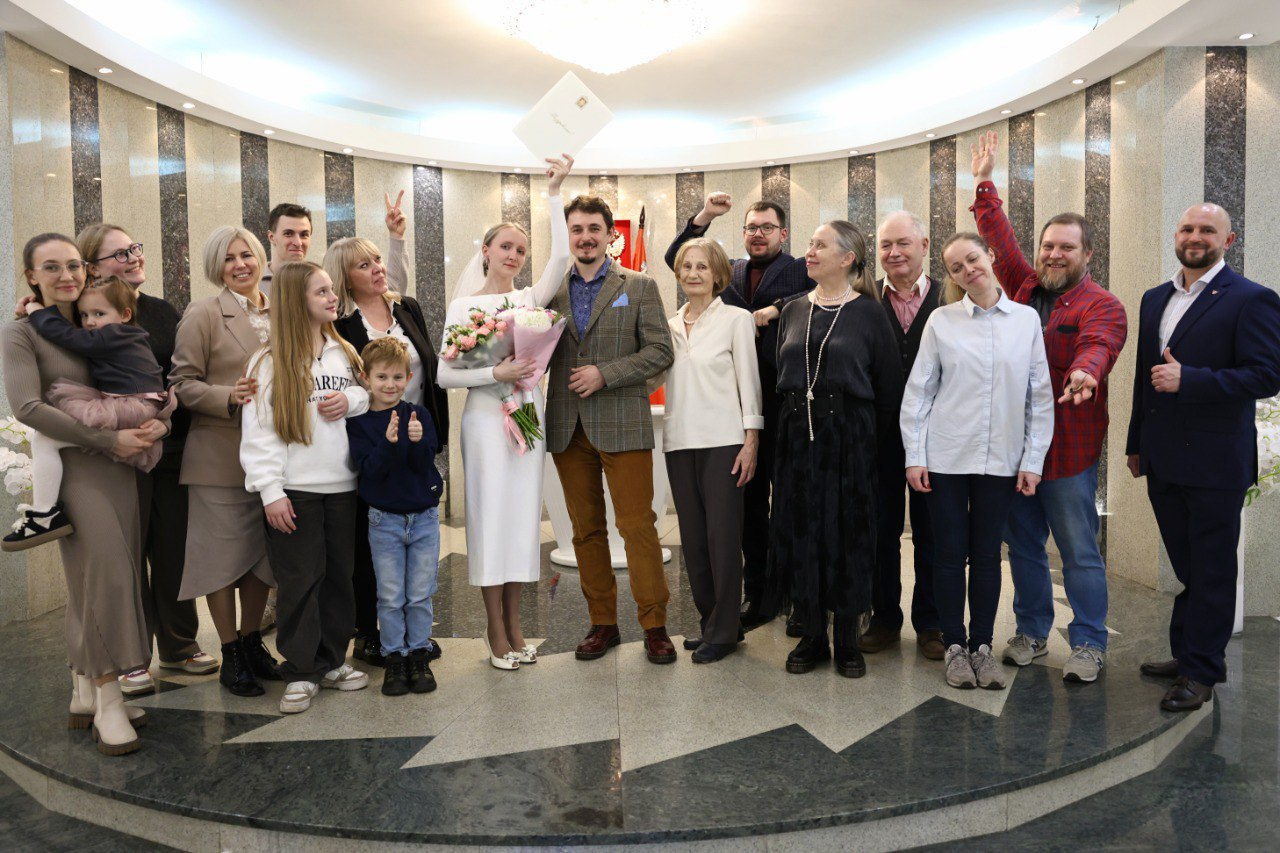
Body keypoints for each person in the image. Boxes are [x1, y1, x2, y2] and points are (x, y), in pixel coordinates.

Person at [970, 130, 1128, 684]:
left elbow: (1100, 342)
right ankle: (1033, 632)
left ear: (1087, 255)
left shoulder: (1101, 304)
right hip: (1016, 453)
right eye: (1048, 246)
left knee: (1079, 551)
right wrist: (984, 182)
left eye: (1067, 247)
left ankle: (1087, 643)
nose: (1054, 255)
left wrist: (1087, 371)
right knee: (1025, 549)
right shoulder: (1022, 286)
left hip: (1067, 455)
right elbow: (1000, 237)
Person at [2, 234, 157, 755]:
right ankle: (108, 702)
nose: (66, 275)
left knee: (99, 582)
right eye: (51, 267)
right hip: (75, 468)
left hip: (121, 468)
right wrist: (107, 439)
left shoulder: (96, 317)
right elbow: (27, 408)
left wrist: (159, 420)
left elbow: (143, 378)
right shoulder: (20, 332)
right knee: (105, 576)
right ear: (31, 276)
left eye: (73, 264)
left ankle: (84, 690)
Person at [1127, 203, 1280, 712]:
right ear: (1177, 235)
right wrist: (1136, 442)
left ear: (1227, 240)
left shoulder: (1252, 299)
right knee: (1189, 567)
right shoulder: (1155, 298)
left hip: (1216, 462)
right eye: (1188, 228)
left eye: (1207, 230)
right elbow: (1144, 378)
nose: (1195, 237)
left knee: (1212, 570)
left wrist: (1190, 379)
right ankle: (1187, 654)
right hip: (1164, 458)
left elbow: (1266, 375)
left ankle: (1202, 672)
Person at [901, 233, 1054, 690]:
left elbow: (1039, 396)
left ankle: (982, 647)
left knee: (987, 556)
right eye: (956, 267)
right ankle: (954, 646)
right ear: (952, 277)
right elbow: (919, 393)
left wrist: (1033, 460)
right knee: (948, 554)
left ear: (990, 256)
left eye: (973, 259)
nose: (968, 270)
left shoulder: (1025, 320)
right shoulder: (942, 321)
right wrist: (915, 456)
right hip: (946, 456)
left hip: (1002, 459)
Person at [437, 156, 572, 669]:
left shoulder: (528, 299)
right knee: (489, 515)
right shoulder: (464, 307)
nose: (513, 255)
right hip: (484, 418)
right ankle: (494, 629)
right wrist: (495, 372)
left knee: (520, 517)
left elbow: (561, 257)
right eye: (505, 247)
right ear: (486, 252)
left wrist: (554, 194)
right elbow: (445, 375)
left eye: (520, 249)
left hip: (527, 414)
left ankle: (517, 626)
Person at [665, 194, 813, 634]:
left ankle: (795, 599)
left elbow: (820, 289)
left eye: (767, 227)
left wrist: (777, 307)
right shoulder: (730, 272)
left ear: (783, 233)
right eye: (751, 227)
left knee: (788, 505)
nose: (758, 234)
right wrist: (705, 217)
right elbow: (679, 258)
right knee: (744, 512)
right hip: (732, 404)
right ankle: (758, 596)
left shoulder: (798, 268)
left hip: (783, 404)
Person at [77, 223, 212, 693]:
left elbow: (179, 377)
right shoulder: (81, 315)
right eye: (119, 253)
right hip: (116, 454)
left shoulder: (161, 310)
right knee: (127, 557)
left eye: (134, 247)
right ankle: (131, 656)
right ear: (91, 267)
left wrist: (165, 422)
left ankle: (180, 645)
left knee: (173, 550)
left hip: (169, 449)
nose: (134, 256)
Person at [763, 220, 901, 678]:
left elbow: (888, 389)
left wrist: (867, 444)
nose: (810, 251)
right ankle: (812, 635)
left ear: (847, 258)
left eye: (820, 245)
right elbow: (779, 374)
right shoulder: (793, 310)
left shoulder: (869, 313)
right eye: (809, 243)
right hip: (795, 437)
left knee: (847, 533)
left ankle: (846, 637)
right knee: (801, 530)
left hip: (850, 439)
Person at [546, 194, 675, 664]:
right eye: (576, 229)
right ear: (568, 235)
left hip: (623, 421)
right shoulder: (549, 292)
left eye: (593, 229)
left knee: (638, 527)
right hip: (568, 427)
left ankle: (655, 626)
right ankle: (602, 623)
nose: (585, 238)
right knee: (585, 532)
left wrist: (606, 373)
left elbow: (661, 351)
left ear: (609, 235)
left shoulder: (639, 286)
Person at [241, 261, 370, 714]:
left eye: (332, 289)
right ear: (298, 300)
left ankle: (332, 661)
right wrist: (270, 491)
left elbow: (366, 393)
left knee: (338, 578)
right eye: (322, 292)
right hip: (294, 491)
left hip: (342, 486)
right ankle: (299, 669)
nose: (333, 297)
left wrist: (351, 399)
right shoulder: (268, 361)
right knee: (299, 581)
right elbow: (259, 431)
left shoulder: (342, 350)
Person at [329, 193, 449, 667]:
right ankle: (369, 633)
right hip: (372, 439)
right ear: (345, 278)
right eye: (364, 265)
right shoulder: (342, 326)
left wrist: (397, 240)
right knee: (371, 541)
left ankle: (413, 636)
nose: (377, 268)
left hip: (417, 435)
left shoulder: (407, 308)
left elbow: (426, 366)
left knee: (416, 540)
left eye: (378, 259)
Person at [169, 226, 281, 697]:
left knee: (261, 559)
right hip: (218, 457)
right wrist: (226, 396)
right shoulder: (203, 313)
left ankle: (253, 641)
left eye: (247, 255)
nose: (240, 265)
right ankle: (230, 651)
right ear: (217, 267)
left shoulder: (281, 310)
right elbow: (180, 383)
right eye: (229, 258)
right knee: (220, 561)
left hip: (274, 458)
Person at [6, 278, 177, 543]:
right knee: (46, 440)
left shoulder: (114, 334)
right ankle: (43, 513)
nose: (90, 322)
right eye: (84, 315)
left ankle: (44, 513)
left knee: (45, 439)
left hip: (131, 406)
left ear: (125, 315)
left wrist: (36, 311)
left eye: (99, 314)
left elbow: (67, 336)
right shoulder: (128, 333)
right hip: (138, 404)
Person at [662, 238, 762, 663]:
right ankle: (715, 623)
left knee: (723, 539)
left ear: (718, 274)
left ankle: (722, 632)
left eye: (702, 266)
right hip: (679, 441)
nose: (693, 273)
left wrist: (751, 440)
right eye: (686, 266)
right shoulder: (668, 325)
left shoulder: (737, 320)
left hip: (724, 442)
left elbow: (749, 383)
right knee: (694, 541)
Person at [864, 211, 944, 661]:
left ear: (924, 245)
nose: (894, 253)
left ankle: (931, 623)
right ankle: (883, 619)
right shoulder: (865, 300)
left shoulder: (951, 297)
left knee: (933, 533)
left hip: (937, 441)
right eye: (885, 245)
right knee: (881, 531)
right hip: (878, 439)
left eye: (903, 243)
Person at [346, 337, 444, 695]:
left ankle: (418, 654)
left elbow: (423, 466)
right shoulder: (359, 424)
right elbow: (369, 471)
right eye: (382, 377)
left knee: (419, 593)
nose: (390, 385)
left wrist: (417, 442)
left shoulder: (420, 416)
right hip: (383, 521)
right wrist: (388, 444)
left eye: (398, 377)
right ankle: (395, 659)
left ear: (409, 377)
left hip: (423, 519)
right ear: (365, 378)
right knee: (389, 595)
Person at [258, 203, 312, 297]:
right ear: (271, 237)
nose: (298, 243)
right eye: (288, 234)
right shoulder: (254, 282)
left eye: (304, 235)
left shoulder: (320, 282)